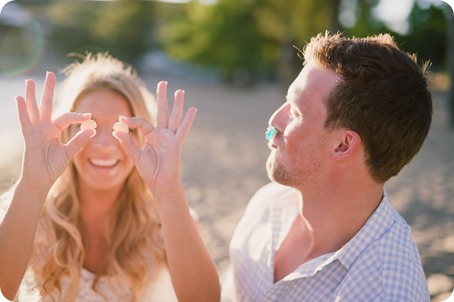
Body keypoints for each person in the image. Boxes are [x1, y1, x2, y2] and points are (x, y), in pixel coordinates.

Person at [221, 32, 432, 301]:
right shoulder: (268, 203)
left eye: (295, 113)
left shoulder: (385, 292)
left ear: (343, 145)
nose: (275, 120)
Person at [0, 53, 220, 301]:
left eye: (121, 127)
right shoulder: (23, 210)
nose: (104, 144)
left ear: (141, 136)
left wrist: (169, 192)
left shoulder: (167, 222)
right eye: (89, 125)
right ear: (65, 131)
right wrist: (31, 187)